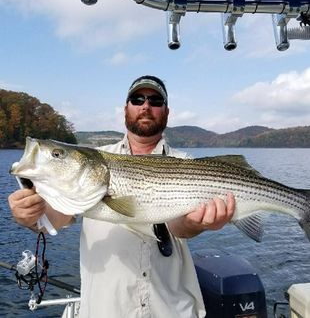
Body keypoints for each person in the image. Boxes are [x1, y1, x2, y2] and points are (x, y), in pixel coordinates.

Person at [8, 75, 236, 318]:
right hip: (106, 310)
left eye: (155, 101)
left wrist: (194, 224)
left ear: (166, 112)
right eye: (137, 99)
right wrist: (31, 215)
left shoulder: (187, 164)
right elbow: (55, 217)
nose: (146, 106)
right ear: (125, 109)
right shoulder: (95, 160)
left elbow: (180, 227)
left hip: (171, 309)